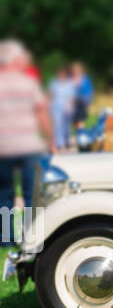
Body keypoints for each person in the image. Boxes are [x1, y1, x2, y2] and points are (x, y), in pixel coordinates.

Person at [0, 40, 53, 238]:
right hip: (28, 146)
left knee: (4, 196)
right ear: (15, 60)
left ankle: (6, 238)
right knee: (33, 194)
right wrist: (51, 141)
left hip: (3, 147)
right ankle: (32, 235)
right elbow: (42, 114)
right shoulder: (29, 83)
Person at [48, 65, 76, 150]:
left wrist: (70, 105)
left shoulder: (69, 83)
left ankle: (67, 140)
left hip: (67, 106)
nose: (61, 75)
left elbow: (72, 96)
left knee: (66, 125)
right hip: (56, 107)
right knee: (57, 125)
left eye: (63, 74)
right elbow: (50, 94)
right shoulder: (54, 83)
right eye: (60, 74)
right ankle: (59, 143)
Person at [71, 62, 93, 128]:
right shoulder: (71, 79)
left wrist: (87, 103)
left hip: (81, 102)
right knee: (74, 121)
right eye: (74, 70)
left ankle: (81, 135)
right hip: (72, 103)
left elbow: (88, 92)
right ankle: (78, 135)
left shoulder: (85, 79)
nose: (75, 71)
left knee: (80, 121)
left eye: (77, 70)